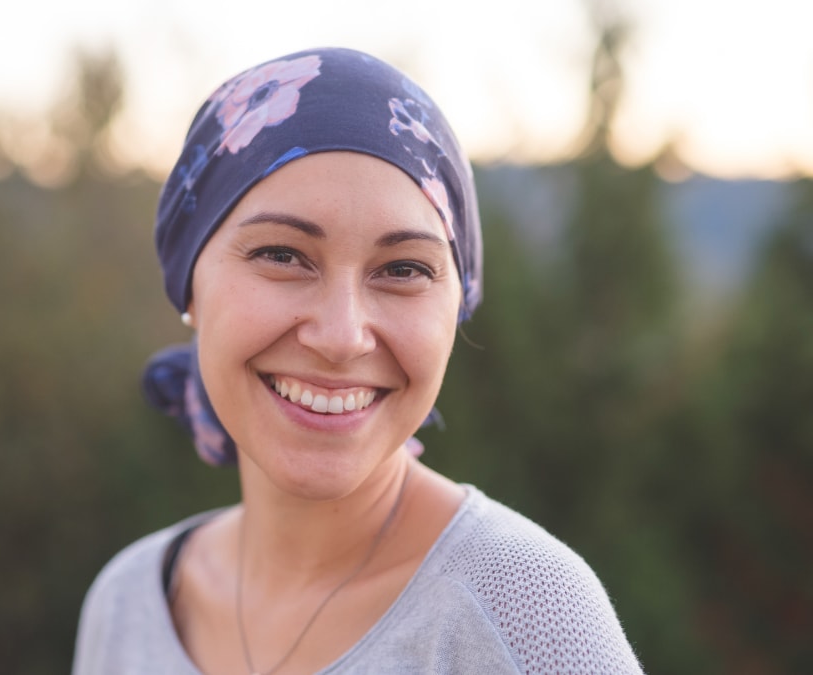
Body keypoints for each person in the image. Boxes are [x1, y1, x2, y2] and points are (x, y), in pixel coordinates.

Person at [73, 47, 642, 674]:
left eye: (403, 269)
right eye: (282, 255)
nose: (342, 337)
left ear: (457, 307)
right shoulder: (127, 603)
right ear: (189, 287)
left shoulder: (525, 613)